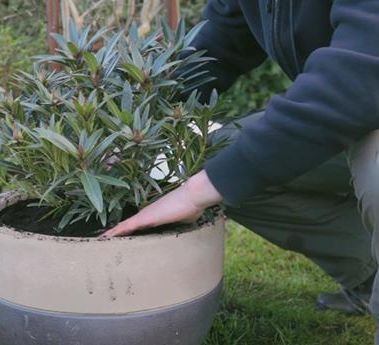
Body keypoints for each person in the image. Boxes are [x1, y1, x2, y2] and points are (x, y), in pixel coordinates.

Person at [101, 0, 379, 341]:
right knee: (210, 157)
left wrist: (197, 191)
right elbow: (219, 44)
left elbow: (358, 78)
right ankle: (368, 276)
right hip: (352, 114)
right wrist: (127, 128)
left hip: (365, 101)